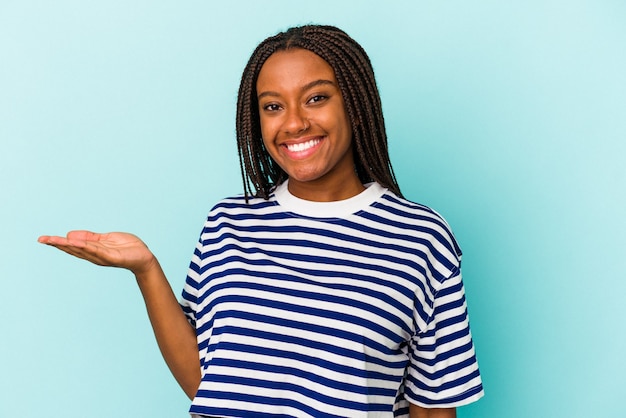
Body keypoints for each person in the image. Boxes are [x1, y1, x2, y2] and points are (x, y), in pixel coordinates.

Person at [39, 25, 483, 418]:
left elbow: (433, 409)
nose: (293, 123)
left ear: (356, 104)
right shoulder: (228, 223)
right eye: (273, 106)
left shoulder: (420, 239)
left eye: (316, 98)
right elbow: (210, 385)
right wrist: (147, 270)